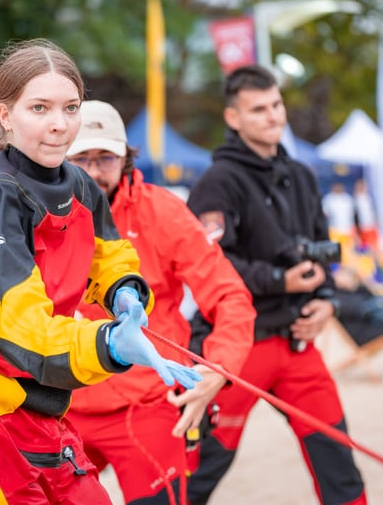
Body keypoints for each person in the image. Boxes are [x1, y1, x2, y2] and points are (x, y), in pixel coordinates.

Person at [0, 39, 200, 504]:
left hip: (41, 410)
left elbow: (108, 253)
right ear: (5, 115)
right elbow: (24, 332)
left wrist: (123, 292)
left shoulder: (78, 182)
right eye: (39, 108)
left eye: (70, 107)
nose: (60, 125)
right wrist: (109, 344)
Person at [185, 65, 367, 505]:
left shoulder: (302, 175)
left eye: (277, 104)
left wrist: (326, 302)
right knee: (197, 473)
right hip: (234, 348)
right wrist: (277, 279)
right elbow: (205, 264)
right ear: (234, 118)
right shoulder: (216, 183)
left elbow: (323, 249)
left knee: (339, 464)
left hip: (297, 344)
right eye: (259, 109)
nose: (273, 116)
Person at [64, 100, 256, 504]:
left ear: (126, 159)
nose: (95, 172)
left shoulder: (161, 210)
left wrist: (216, 369)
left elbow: (229, 295)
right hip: (62, 403)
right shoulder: (34, 213)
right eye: (81, 158)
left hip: (146, 403)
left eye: (106, 158)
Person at [352, 178, 379, 251]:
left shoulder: (369, 198)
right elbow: (355, 217)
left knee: (375, 248)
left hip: (371, 227)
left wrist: (376, 224)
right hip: (362, 229)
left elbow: (373, 213)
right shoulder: (355, 200)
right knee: (366, 249)